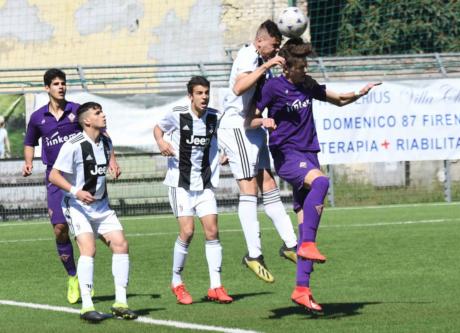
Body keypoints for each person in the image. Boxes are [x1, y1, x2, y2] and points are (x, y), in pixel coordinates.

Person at [253, 38, 381, 313]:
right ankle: (308, 245)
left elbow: (339, 100)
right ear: (287, 67)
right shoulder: (274, 86)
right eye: (300, 66)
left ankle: (302, 290)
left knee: (305, 228)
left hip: (309, 155)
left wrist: (360, 93)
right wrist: (263, 120)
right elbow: (249, 117)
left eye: (306, 66)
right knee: (322, 182)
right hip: (287, 156)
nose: (305, 70)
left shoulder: (307, 83)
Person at [22, 69, 120, 304]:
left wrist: (112, 160)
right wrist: (27, 162)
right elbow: (29, 142)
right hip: (55, 178)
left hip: (79, 177)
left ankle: (87, 276)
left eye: (63, 83)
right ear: (47, 88)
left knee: (90, 231)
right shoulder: (38, 117)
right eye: (56, 84)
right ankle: (73, 276)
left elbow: (102, 133)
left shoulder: (77, 110)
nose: (61, 87)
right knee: (59, 229)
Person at [218, 20, 298, 283]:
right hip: (236, 128)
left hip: (252, 127)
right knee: (249, 186)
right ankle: (254, 254)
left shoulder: (262, 60)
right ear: (260, 41)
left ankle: (291, 244)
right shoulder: (248, 55)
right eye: (273, 46)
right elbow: (238, 88)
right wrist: (265, 65)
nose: (274, 51)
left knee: (268, 183)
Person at [49, 102, 137, 322]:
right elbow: (54, 175)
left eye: (102, 112)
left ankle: (120, 303)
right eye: (98, 113)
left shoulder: (106, 140)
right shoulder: (74, 144)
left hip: (101, 206)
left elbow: (109, 150)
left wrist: (113, 163)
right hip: (77, 206)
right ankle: (87, 307)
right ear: (87, 121)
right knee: (89, 249)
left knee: (121, 245)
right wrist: (75, 191)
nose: (103, 115)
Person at [153, 76, 233, 305]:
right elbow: (158, 129)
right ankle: (177, 282)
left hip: (204, 184)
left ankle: (216, 286)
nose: (204, 97)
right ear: (191, 96)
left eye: (206, 92)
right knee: (187, 231)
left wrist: (222, 155)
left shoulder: (214, 117)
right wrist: (161, 142)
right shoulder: (177, 113)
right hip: (180, 183)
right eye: (199, 93)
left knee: (212, 231)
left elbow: (220, 140)